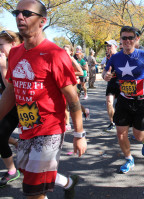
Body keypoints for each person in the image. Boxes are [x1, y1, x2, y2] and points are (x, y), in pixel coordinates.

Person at [1, 1, 87, 198]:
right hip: (26, 127)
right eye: (17, 12)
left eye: (26, 13)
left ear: (42, 21)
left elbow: (73, 99)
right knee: (28, 172)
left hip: (49, 131)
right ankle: (68, 182)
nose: (19, 17)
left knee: (32, 189)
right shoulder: (15, 53)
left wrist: (79, 135)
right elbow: (11, 92)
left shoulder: (55, 54)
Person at [103, 26, 144, 174]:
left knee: (138, 135)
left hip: (142, 101)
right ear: (120, 40)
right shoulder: (115, 58)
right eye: (124, 38)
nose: (127, 41)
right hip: (124, 100)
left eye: (131, 38)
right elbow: (105, 71)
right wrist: (105, 76)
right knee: (120, 132)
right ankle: (129, 159)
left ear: (137, 39)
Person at [0, 30, 23, 188]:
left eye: (1, 45)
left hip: (23, 107)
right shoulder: (6, 58)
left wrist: (3, 68)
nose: (0, 49)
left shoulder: (18, 59)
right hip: (9, 105)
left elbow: (11, 88)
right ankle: (12, 169)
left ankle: (65, 183)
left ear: (13, 44)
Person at [63, 45, 84, 131]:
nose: (63, 52)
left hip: (73, 85)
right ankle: (67, 123)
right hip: (64, 85)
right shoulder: (61, 59)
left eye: (65, 50)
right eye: (62, 50)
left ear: (71, 52)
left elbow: (81, 72)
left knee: (73, 105)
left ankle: (84, 112)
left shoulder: (72, 60)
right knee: (65, 105)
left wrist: (70, 73)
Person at [101, 39, 119, 132]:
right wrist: (104, 76)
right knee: (109, 102)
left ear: (115, 46)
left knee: (122, 105)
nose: (108, 47)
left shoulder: (121, 56)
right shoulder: (107, 57)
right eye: (107, 46)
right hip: (111, 83)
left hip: (121, 83)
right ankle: (112, 122)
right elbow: (104, 71)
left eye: (110, 46)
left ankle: (125, 122)